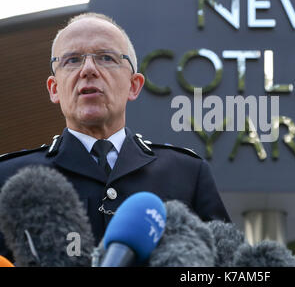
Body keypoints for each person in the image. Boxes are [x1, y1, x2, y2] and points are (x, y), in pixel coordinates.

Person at [0, 13, 230, 259]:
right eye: (72, 60)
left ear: (134, 85)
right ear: (54, 89)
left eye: (106, 58)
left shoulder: (187, 173)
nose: (88, 69)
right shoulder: (9, 178)